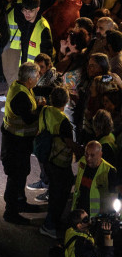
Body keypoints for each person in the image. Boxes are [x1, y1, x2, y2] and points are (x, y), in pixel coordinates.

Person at [2, 62, 45, 224]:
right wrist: (41, 108)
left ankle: (20, 203)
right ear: (29, 79)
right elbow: (28, 119)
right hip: (15, 144)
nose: (39, 77)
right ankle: (10, 212)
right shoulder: (21, 95)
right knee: (16, 177)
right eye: (38, 75)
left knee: (21, 174)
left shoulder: (20, 87)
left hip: (19, 142)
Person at [39, 86, 81, 238]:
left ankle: (52, 222)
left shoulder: (46, 110)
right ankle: (49, 225)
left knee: (55, 191)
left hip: (48, 158)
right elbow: (69, 143)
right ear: (66, 101)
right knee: (60, 195)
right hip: (60, 162)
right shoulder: (63, 121)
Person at [71, 140, 120, 219]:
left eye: (92, 155)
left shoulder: (109, 171)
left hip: (96, 217)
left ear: (100, 154)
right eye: (86, 154)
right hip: (80, 212)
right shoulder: (82, 161)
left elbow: (113, 198)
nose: (88, 158)